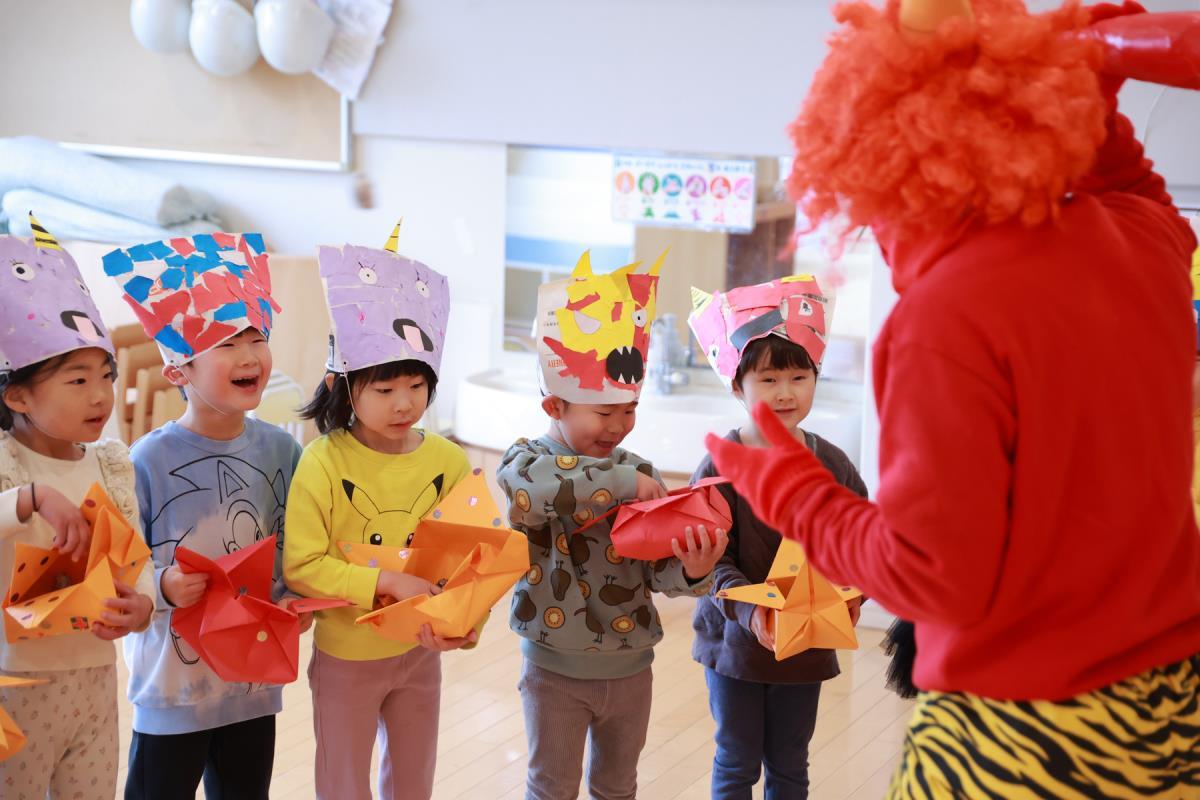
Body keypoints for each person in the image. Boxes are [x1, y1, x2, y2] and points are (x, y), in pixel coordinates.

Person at [705, 1, 1200, 797]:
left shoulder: (944, 319)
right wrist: (1088, 97)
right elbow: (1140, 189)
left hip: (1023, 732)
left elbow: (934, 580)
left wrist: (792, 489)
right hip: (1170, 704)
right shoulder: (1141, 246)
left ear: (868, 152)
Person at [499, 250, 727, 800]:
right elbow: (535, 492)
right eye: (604, 413)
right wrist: (624, 481)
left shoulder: (637, 470)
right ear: (554, 403)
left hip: (632, 669)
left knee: (617, 787)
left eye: (630, 408)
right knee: (551, 787)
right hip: (552, 671)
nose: (620, 425)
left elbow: (657, 570)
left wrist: (694, 571)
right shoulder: (524, 461)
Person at [105, 232, 304, 800]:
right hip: (172, 686)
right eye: (225, 343)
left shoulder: (282, 451)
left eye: (256, 337)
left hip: (251, 681)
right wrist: (163, 586)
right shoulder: (147, 461)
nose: (248, 356)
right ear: (179, 371)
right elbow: (121, 567)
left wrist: (292, 597)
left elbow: (292, 544)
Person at [284, 226, 474, 800]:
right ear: (346, 388)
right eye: (385, 387)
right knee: (344, 784)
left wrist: (465, 624)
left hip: (421, 653)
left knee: (414, 783)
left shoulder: (447, 459)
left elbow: (470, 560)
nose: (403, 402)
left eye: (416, 385)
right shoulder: (321, 461)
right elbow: (302, 565)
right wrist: (385, 580)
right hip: (348, 656)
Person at [688, 276, 867, 799]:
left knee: (791, 764)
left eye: (798, 376)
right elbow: (714, 561)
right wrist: (752, 613)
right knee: (736, 762)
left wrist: (853, 593)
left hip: (807, 646)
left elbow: (860, 538)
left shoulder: (831, 464)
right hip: (735, 650)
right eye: (768, 380)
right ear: (737, 386)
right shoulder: (721, 467)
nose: (786, 392)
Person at [0, 216, 155, 799]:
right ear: (17, 395)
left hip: (94, 680)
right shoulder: (8, 465)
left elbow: (129, 571)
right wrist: (33, 498)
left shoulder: (112, 464)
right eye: (77, 379)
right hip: (13, 685)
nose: (100, 394)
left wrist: (139, 609)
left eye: (107, 376)